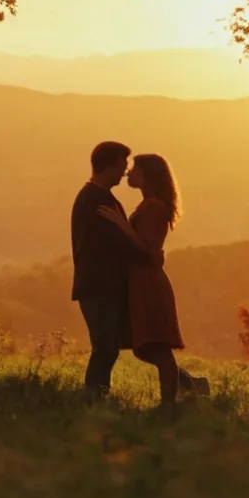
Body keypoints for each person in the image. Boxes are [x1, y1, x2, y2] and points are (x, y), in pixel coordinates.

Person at [97, 153, 197, 405]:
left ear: (148, 175)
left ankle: (169, 403)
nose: (129, 173)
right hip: (140, 280)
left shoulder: (154, 207)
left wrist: (121, 225)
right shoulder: (150, 204)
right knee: (144, 346)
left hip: (148, 283)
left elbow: (147, 248)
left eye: (135, 169)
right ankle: (188, 386)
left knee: (156, 347)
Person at [70, 141, 141, 397]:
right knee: (105, 347)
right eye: (122, 167)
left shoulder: (95, 198)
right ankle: (95, 398)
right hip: (100, 286)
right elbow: (112, 246)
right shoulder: (97, 202)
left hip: (100, 285)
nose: (124, 173)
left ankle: (97, 397)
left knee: (108, 346)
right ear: (108, 166)